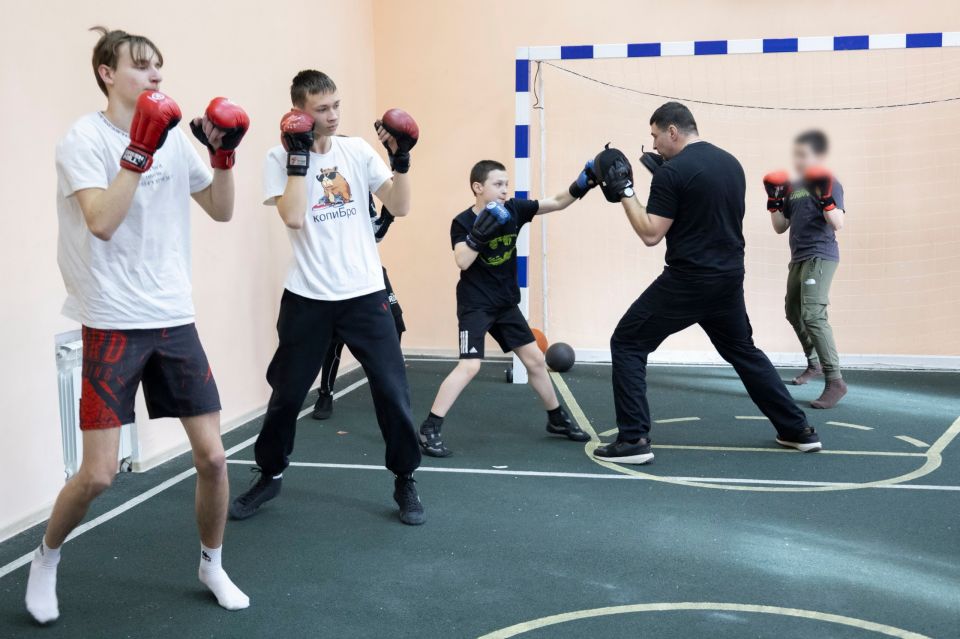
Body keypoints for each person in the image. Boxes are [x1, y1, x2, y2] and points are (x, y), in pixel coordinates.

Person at [27, 27, 251, 623]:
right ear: (106, 72)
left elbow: (223, 210)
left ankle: (212, 563)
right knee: (99, 473)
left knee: (214, 458)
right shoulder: (82, 140)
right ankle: (46, 557)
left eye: (160, 66)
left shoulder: (176, 140)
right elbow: (100, 220)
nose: (156, 75)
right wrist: (138, 150)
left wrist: (223, 155)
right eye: (141, 66)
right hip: (110, 318)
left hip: (173, 316)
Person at [229, 70, 425, 525]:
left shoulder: (356, 151)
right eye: (322, 109)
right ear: (299, 112)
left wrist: (402, 161)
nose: (334, 115)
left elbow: (399, 206)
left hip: (364, 293)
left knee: (393, 393)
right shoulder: (276, 159)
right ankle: (270, 474)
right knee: (286, 394)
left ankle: (405, 479)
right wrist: (300, 160)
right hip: (308, 297)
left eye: (336, 105)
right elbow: (294, 217)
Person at [590, 101, 822, 465]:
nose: (652, 146)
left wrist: (626, 191)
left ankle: (633, 440)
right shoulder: (731, 164)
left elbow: (651, 234)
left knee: (628, 342)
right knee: (743, 351)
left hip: (688, 280)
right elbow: (703, 210)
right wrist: (665, 175)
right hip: (728, 278)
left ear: (672, 131)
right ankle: (798, 430)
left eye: (654, 136)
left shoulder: (672, 173)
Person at [417, 160, 594, 457]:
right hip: (476, 304)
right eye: (498, 184)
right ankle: (429, 428)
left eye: (506, 185)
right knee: (470, 365)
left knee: (536, 360)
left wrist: (584, 183)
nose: (504, 190)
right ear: (478, 187)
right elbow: (462, 260)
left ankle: (556, 419)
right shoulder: (462, 221)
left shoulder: (514, 209)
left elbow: (557, 202)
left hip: (505, 303)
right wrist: (479, 234)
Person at [764, 130, 847, 408]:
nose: (798, 159)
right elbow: (780, 227)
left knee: (813, 314)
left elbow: (837, 223)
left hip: (821, 256)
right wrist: (774, 202)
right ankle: (814, 364)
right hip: (799, 257)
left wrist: (826, 198)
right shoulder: (794, 186)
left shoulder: (829, 182)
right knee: (793, 311)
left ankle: (835, 381)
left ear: (817, 155)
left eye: (803, 154)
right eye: (796, 154)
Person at [311, 197, 405, 420]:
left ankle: (388, 388)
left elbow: (375, 235)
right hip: (333, 276)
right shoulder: (322, 196)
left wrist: (387, 216)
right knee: (334, 340)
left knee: (396, 323)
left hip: (370, 272)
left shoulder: (364, 192)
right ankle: (326, 393)